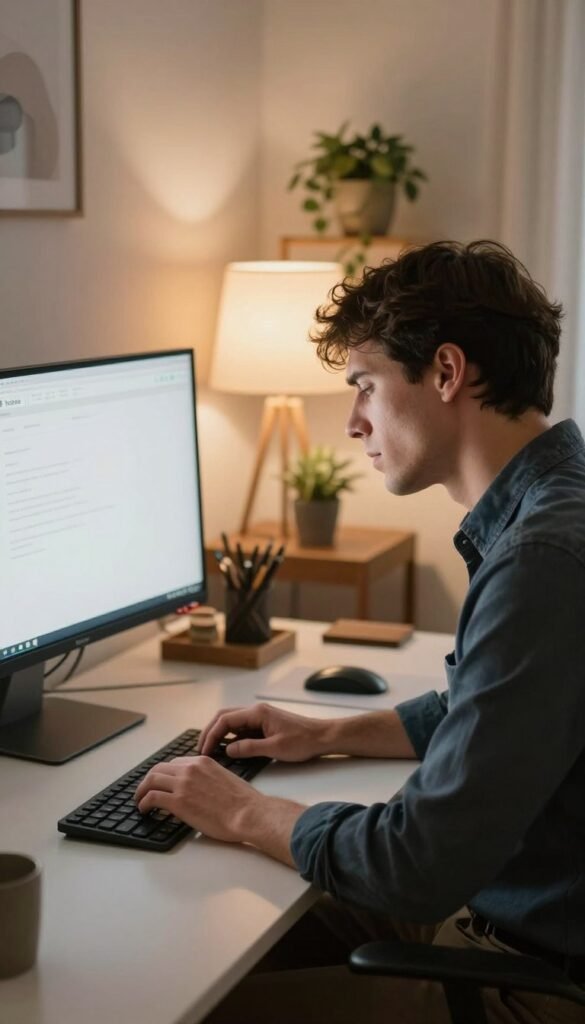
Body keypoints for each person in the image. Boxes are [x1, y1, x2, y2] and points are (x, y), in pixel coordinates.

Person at [135, 241, 585, 1023]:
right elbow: (496, 712)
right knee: (216, 932)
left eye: (365, 387)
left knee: (182, 997)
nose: (352, 423)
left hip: (526, 974)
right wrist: (326, 734)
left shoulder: (540, 560)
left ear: (445, 373)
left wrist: (244, 811)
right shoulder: (553, 508)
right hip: (502, 915)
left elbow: (417, 865)